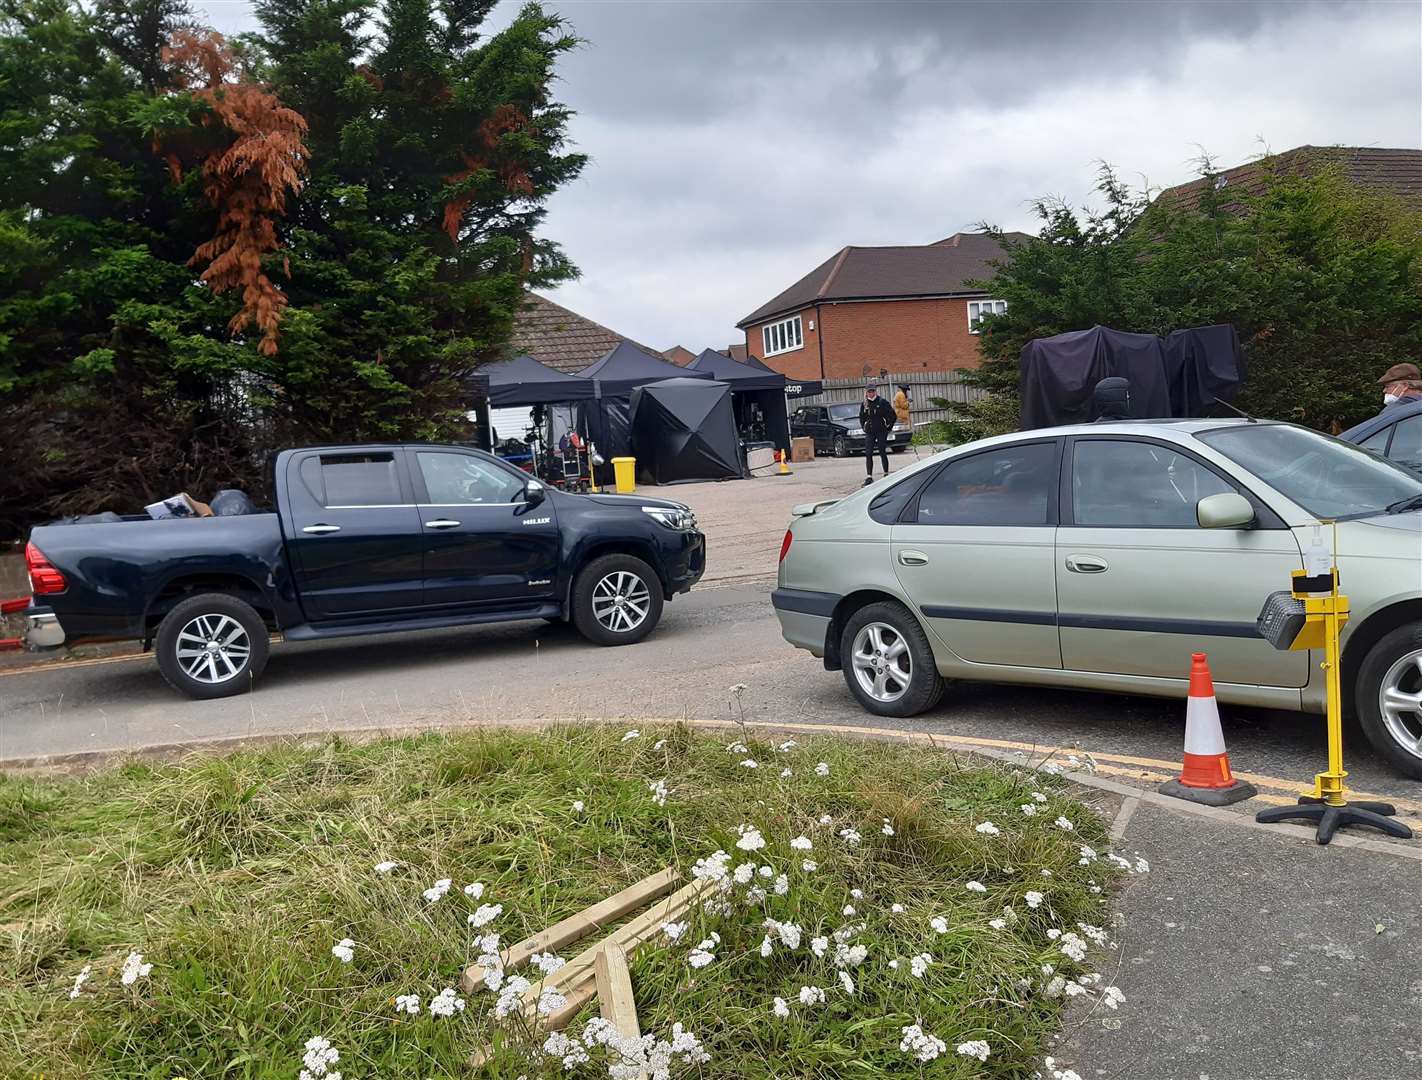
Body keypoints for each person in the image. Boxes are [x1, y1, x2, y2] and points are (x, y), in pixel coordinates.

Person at [859, 381, 897, 485]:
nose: (870, 393)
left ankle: (886, 473)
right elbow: (861, 417)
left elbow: (893, 415)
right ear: (866, 392)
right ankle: (869, 476)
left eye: (872, 391)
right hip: (870, 431)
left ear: (875, 391)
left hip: (881, 430)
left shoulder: (882, 402)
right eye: (869, 391)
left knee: (882, 451)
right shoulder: (865, 403)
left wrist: (889, 426)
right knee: (868, 453)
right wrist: (863, 426)